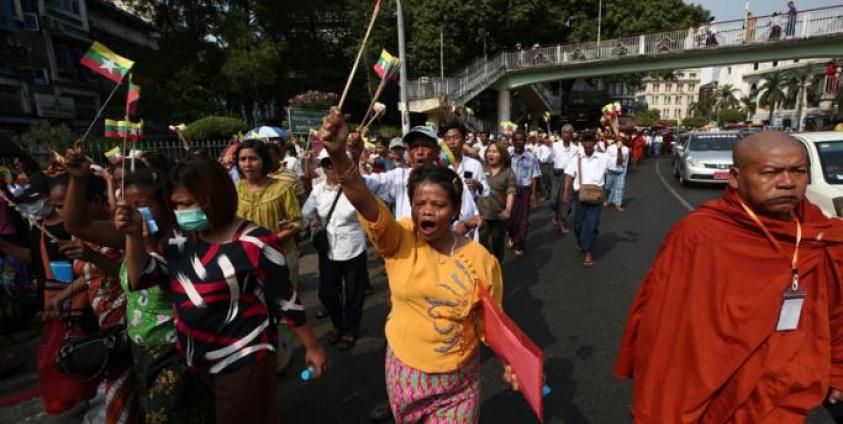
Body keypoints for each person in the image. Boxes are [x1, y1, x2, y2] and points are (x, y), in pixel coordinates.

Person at [615, 131, 843, 422]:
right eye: (770, 172)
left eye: (798, 171)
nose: (787, 182)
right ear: (735, 177)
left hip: (784, 388)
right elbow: (669, 328)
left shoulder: (818, 232)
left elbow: (836, 307)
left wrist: (838, 367)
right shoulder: (701, 234)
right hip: (719, 382)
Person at [319, 108, 517, 423]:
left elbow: (492, 323)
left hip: (459, 384)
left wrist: (512, 362)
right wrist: (339, 154)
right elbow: (360, 195)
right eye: (420, 204)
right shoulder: (398, 238)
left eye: (438, 205)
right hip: (404, 375)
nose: (427, 211)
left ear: (454, 212)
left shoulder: (482, 261)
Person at [118, 156, 327, 424]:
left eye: (189, 203)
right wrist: (133, 235)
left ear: (214, 197)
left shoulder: (256, 242)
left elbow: (284, 299)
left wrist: (311, 346)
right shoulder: (178, 239)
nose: (182, 211)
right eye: (176, 205)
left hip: (243, 358)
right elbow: (141, 278)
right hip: (195, 357)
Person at [61, 148, 211, 423]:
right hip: (141, 347)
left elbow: (163, 284)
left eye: (142, 203)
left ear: (165, 203)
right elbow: (75, 224)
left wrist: (148, 242)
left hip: (177, 348)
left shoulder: (184, 239)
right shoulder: (129, 235)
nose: (134, 211)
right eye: (127, 203)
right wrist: (78, 180)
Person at [43, 174, 136, 424]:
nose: (62, 213)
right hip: (103, 320)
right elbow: (90, 277)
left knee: (124, 389)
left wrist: (93, 257)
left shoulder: (120, 228)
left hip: (128, 323)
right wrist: (61, 296)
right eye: (58, 206)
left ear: (96, 201)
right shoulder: (80, 236)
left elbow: (134, 276)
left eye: (65, 204)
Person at [234, 139, 304, 373]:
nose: (247, 164)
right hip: (246, 260)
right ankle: (261, 354)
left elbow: (297, 223)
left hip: (281, 256)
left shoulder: (281, 188)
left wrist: (271, 239)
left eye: (253, 158)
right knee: (254, 309)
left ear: (264, 161)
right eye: (242, 159)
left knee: (282, 308)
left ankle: (282, 357)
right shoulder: (238, 189)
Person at [302, 152, 370, 350]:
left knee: (354, 293)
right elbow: (305, 214)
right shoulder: (318, 190)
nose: (331, 168)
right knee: (327, 293)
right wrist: (295, 225)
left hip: (354, 246)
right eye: (326, 164)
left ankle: (350, 329)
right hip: (328, 248)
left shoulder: (356, 187)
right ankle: (339, 325)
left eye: (334, 163)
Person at [562, 133, 611, 268]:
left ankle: (588, 253)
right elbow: (568, 176)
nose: (588, 144)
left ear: (595, 143)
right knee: (577, 225)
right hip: (580, 196)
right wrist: (566, 192)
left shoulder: (603, 157)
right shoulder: (577, 159)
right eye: (586, 141)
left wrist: (618, 146)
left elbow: (617, 162)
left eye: (591, 141)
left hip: (596, 197)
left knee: (592, 224)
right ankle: (582, 242)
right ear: (582, 143)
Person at [477, 142, 515, 263]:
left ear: (502, 155)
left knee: (498, 247)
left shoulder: (508, 172)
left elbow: (511, 191)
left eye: (495, 151)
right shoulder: (481, 169)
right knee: (480, 247)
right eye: (489, 151)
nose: (491, 154)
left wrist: (508, 209)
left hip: (499, 216)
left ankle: (496, 271)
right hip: (481, 215)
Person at [508, 131, 541, 257]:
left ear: (525, 141)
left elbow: (535, 176)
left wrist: (533, 194)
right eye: (516, 139)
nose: (518, 142)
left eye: (521, 139)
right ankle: (512, 236)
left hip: (525, 191)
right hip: (510, 191)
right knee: (510, 219)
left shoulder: (531, 157)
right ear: (512, 141)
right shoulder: (508, 156)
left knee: (523, 220)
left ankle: (519, 244)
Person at [441, 121, 489, 199]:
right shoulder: (439, 165)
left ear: (463, 140)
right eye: (447, 138)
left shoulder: (474, 164)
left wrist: (478, 185)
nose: (451, 142)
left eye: (455, 137)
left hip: (468, 210)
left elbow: (486, 192)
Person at [551, 125, 578, 235]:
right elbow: (546, 157)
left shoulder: (576, 149)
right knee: (554, 200)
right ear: (561, 134)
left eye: (569, 133)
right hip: (557, 175)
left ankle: (562, 221)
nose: (566, 135)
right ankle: (557, 214)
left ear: (572, 135)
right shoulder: (555, 146)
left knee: (566, 200)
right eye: (564, 132)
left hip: (570, 177)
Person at [604, 136, 630, 212]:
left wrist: (624, 172)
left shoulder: (626, 149)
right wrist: (605, 170)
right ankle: (607, 200)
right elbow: (606, 159)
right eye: (619, 138)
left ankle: (618, 204)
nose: (620, 140)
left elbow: (626, 161)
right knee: (608, 187)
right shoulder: (610, 148)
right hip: (610, 170)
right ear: (615, 139)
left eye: (622, 138)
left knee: (620, 188)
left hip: (620, 171)